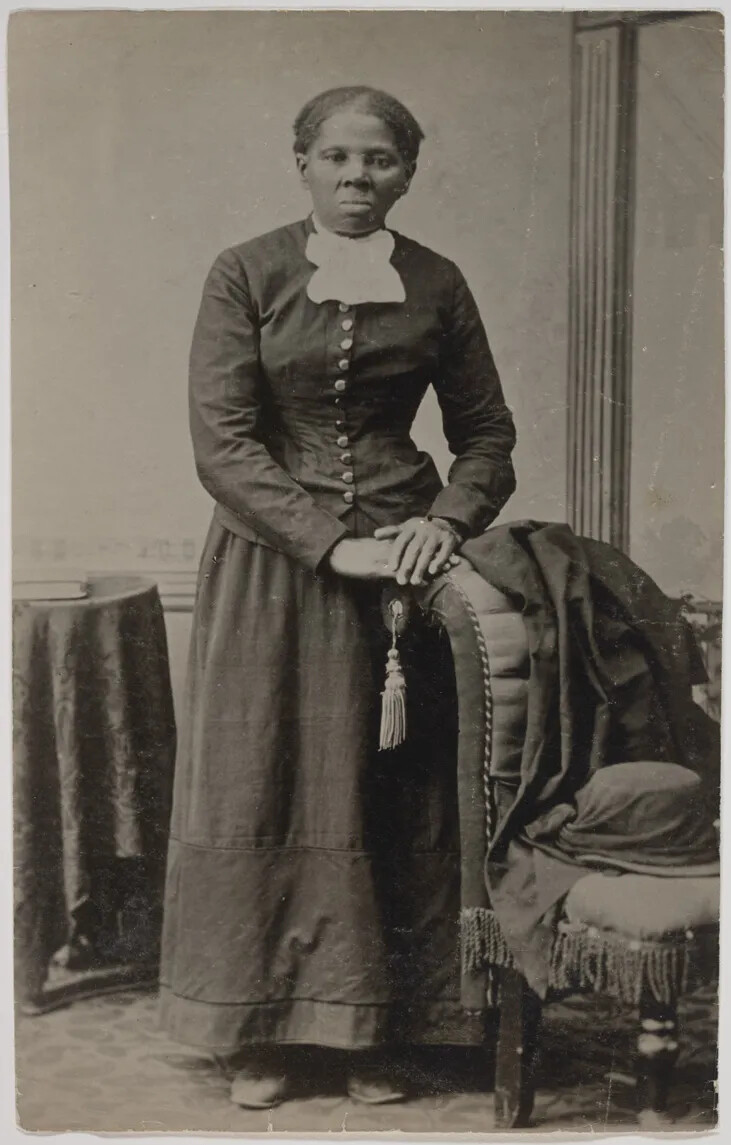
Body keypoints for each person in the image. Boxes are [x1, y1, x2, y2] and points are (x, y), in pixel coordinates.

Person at [158, 85, 517, 1109]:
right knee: (265, 781)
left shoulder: (437, 282)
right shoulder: (247, 272)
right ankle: (261, 1032)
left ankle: (377, 1028)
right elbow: (222, 443)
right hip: (273, 564)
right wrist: (328, 545)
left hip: (403, 572)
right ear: (302, 163)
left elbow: (487, 434)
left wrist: (440, 521)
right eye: (338, 158)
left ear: (408, 170)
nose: (358, 179)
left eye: (380, 161)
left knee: (389, 788)